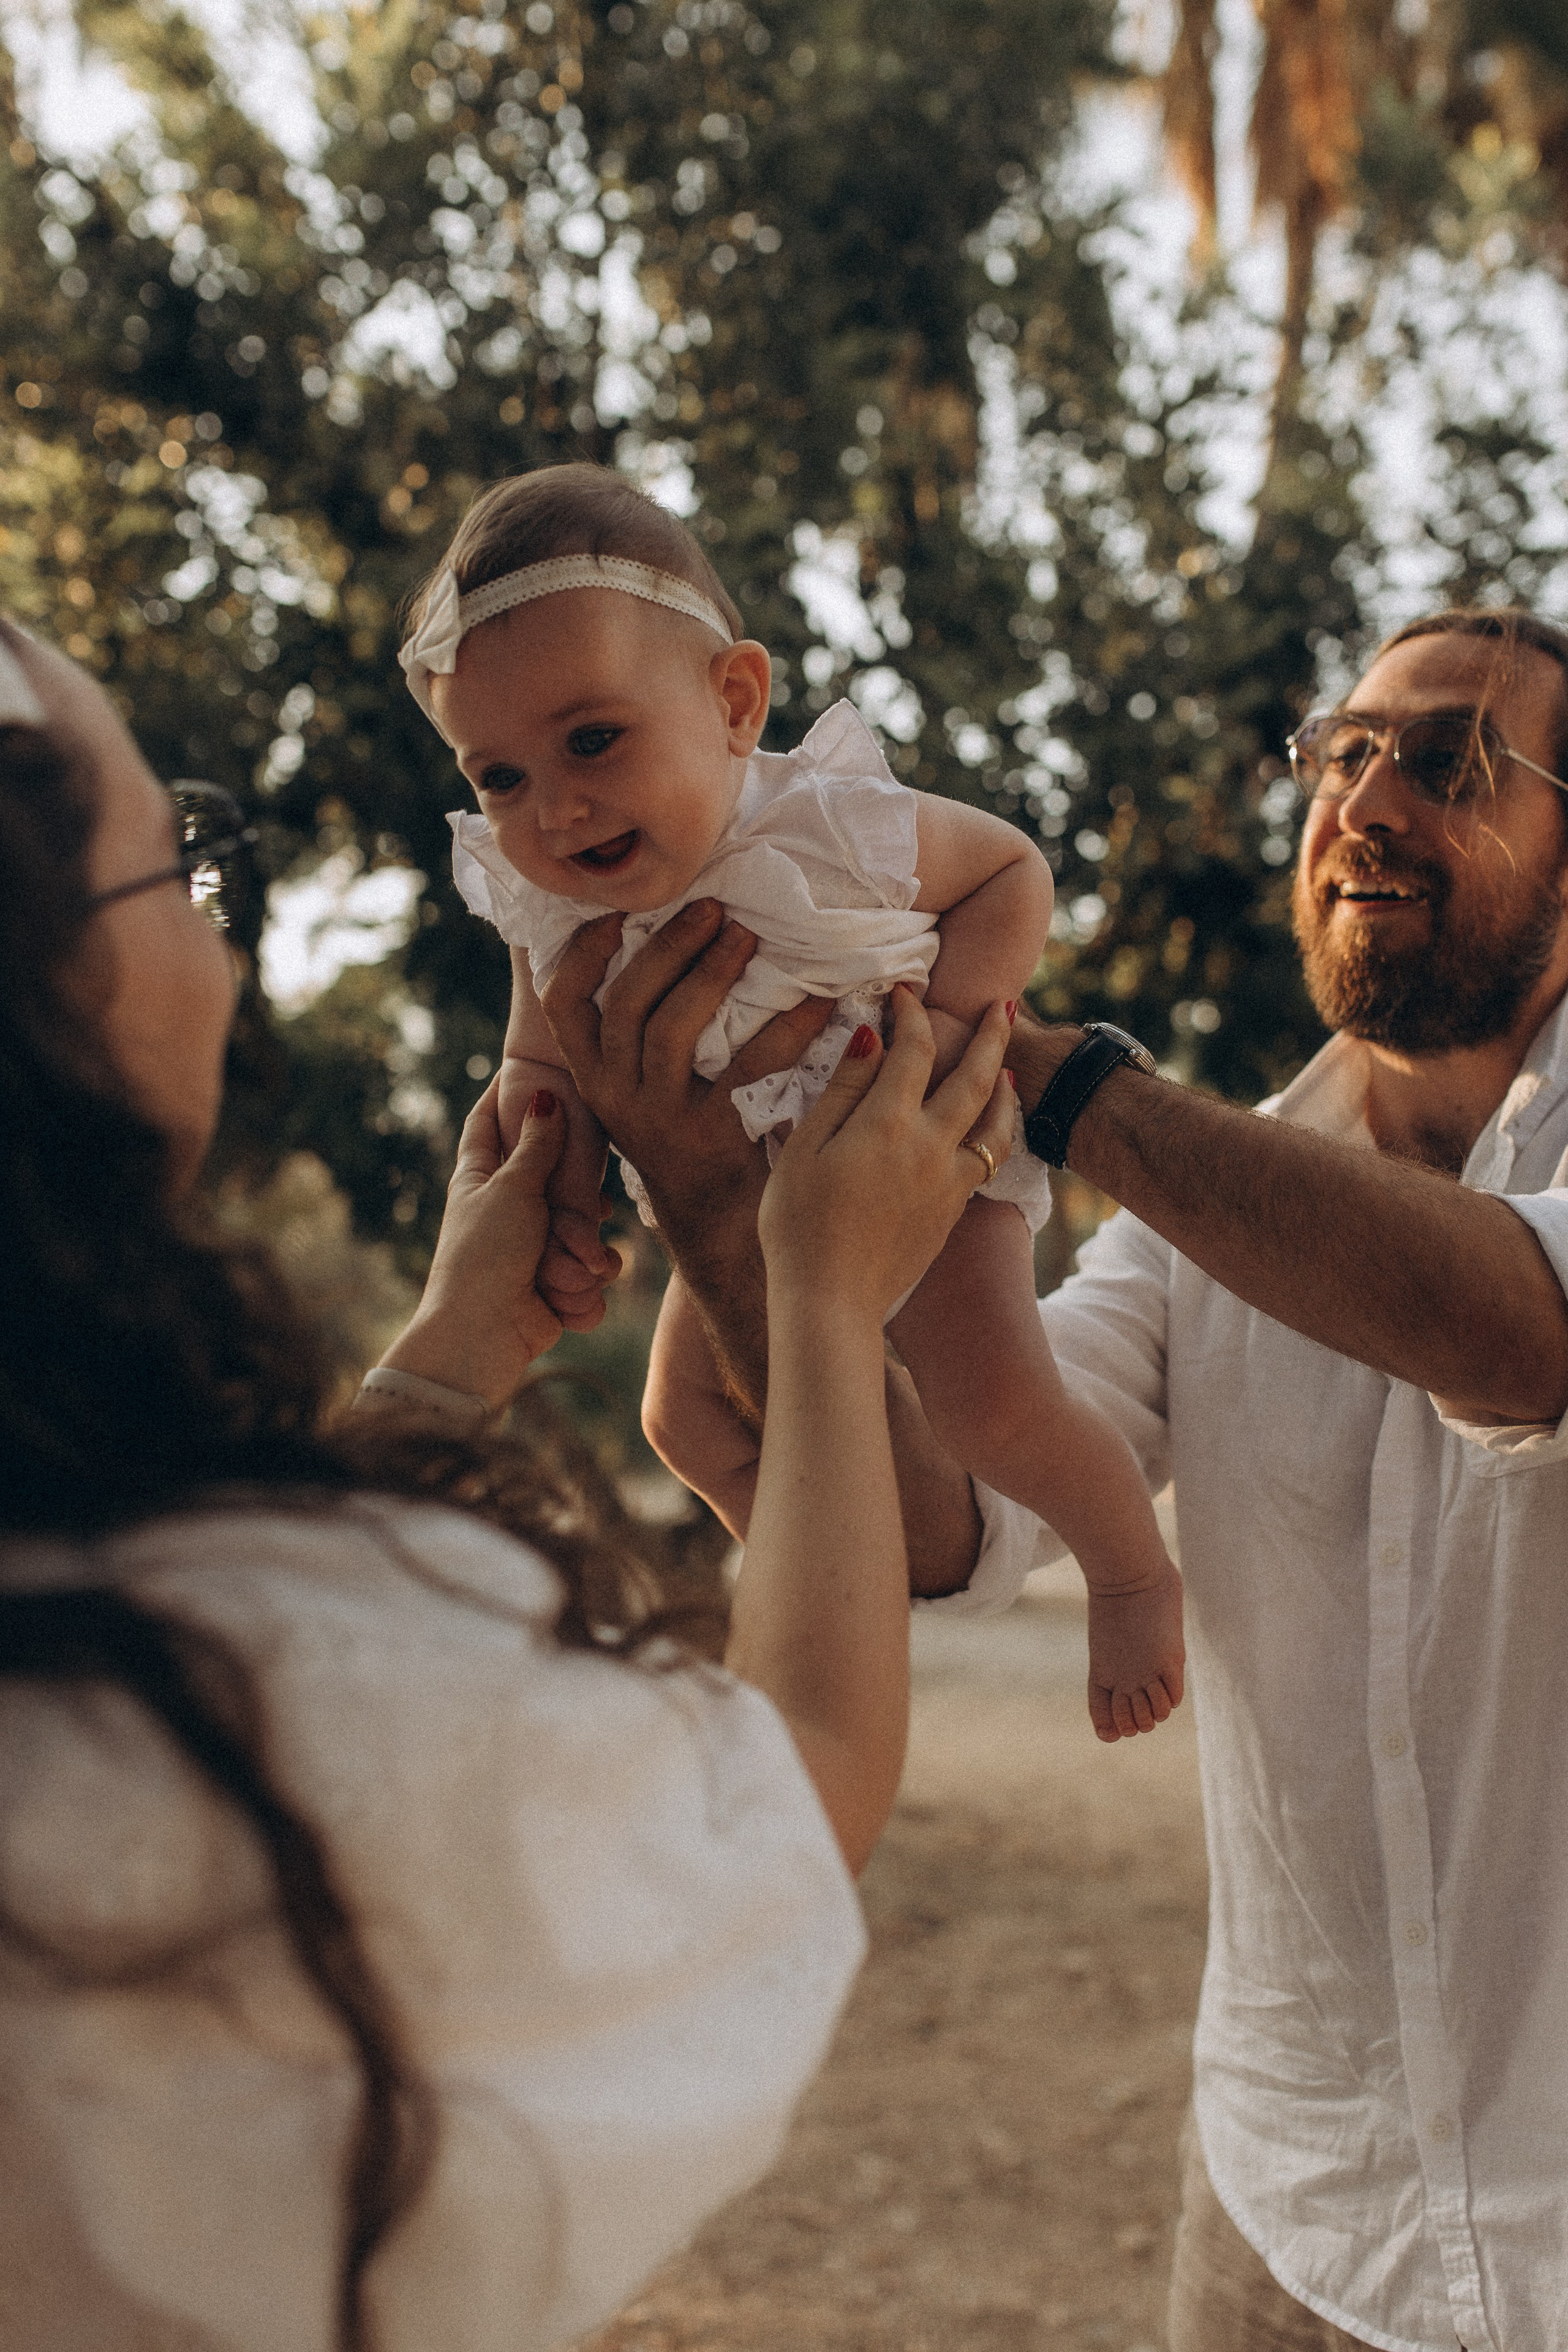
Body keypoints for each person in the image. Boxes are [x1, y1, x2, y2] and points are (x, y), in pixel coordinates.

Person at [540, 605, 1568, 2352]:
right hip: (1285, 2204)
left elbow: (1521, 1335)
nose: (1369, 801)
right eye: (1344, 753)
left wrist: (1047, 1075)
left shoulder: (1177, 1165)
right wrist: (731, 1216)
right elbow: (952, 1516)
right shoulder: (1195, 1239)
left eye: (1450, 762)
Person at [0, 613, 1016, 2352]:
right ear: (60, 995)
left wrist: (454, 1356)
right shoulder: (208, 1714)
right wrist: (824, 1294)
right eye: (179, 856)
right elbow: (799, 1784)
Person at [397, 462, 1184, 1741]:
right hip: (750, 1216)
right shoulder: (546, 904)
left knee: (990, 1406)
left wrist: (940, 1040)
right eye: (498, 778)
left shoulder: (826, 825)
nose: (555, 808)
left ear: (732, 700)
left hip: (913, 1154)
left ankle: (1133, 1573)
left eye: (591, 740)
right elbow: (544, 1065)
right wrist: (534, 1165)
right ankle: (825, 1593)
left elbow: (1009, 874)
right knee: (682, 1415)